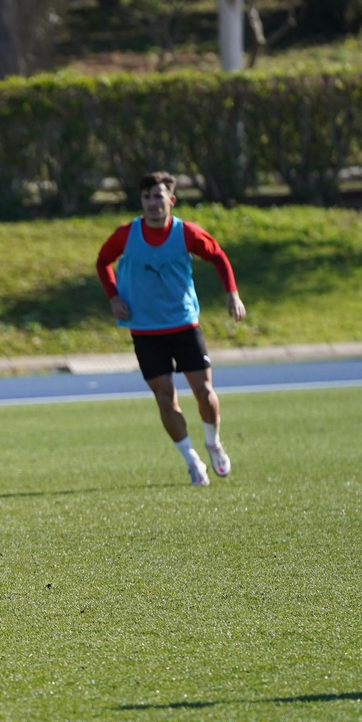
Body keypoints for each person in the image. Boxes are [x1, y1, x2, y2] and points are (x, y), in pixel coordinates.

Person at [95, 170, 245, 486]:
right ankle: (192, 460)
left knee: (203, 392)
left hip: (183, 323)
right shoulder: (126, 235)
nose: (152, 203)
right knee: (165, 397)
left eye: (158, 196)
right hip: (145, 330)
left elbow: (218, 256)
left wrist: (232, 293)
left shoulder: (186, 233)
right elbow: (102, 262)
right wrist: (113, 297)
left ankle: (213, 443)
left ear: (171, 200)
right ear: (141, 201)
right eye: (147, 197)